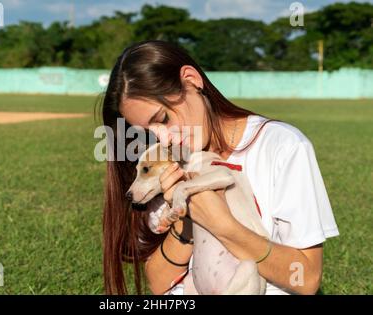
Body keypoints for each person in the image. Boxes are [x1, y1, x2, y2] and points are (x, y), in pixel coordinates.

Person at [100, 40, 339, 295]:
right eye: (149, 132)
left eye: (163, 119)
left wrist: (223, 225)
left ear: (191, 80)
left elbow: (307, 278)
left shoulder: (283, 146)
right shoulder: (169, 163)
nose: (164, 138)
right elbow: (160, 284)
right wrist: (184, 219)